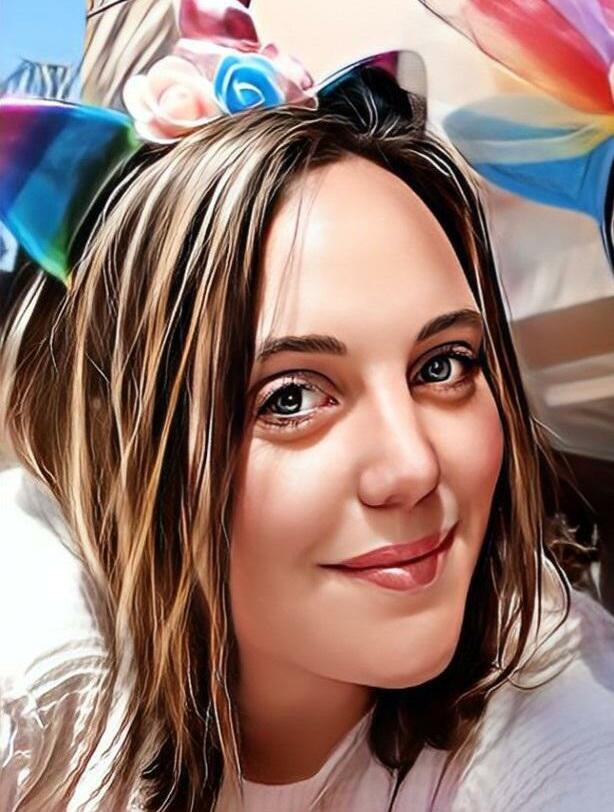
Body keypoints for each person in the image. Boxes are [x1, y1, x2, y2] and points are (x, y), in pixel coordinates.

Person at [1, 60, 614, 811]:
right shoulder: (39, 645)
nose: (413, 466)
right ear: (122, 446)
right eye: (290, 397)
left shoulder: (541, 670)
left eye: (443, 365)